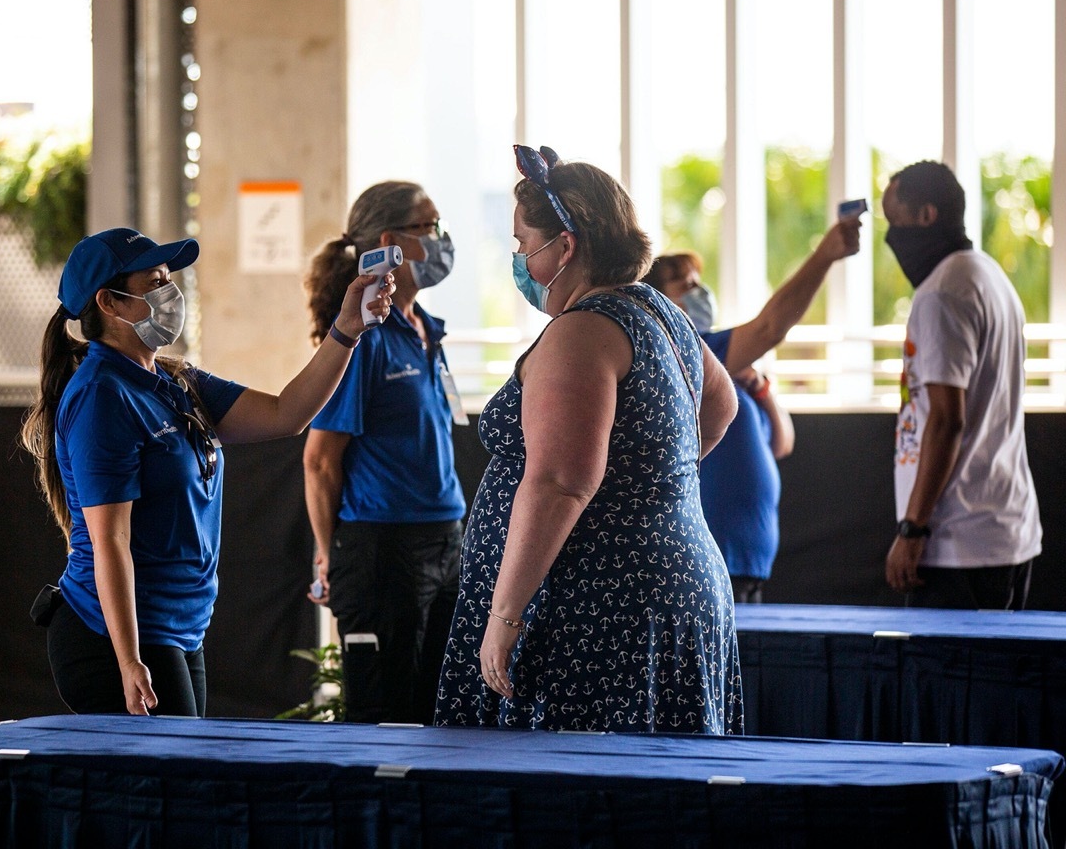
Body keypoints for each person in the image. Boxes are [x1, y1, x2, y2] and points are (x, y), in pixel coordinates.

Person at [20, 227, 394, 717]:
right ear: (109, 303)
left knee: (186, 761)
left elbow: (287, 413)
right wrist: (128, 661)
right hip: (112, 636)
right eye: (155, 282)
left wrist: (346, 330)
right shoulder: (102, 397)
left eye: (168, 279)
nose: (170, 293)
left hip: (179, 628)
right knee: (172, 766)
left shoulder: (175, 381)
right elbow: (110, 540)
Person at [435, 145, 741, 734]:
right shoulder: (658, 309)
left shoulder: (581, 332)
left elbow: (560, 483)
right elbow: (721, 406)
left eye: (522, 243)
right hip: (668, 582)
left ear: (566, 247)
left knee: (580, 779)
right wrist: (641, 481)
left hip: (599, 607)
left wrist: (505, 614)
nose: (519, 259)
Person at [303, 181, 467, 725]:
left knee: (439, 710)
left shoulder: (426, 331)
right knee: (389, 715)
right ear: (390, 242)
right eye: (430, 226)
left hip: (445, 537)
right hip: (384, 546)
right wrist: (328, 553)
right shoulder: (364, 336)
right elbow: (320, 459)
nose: (441, 238)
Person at [643, 217, 862, 602]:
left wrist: (761, 389)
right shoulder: (685, 355)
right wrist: (825, 255)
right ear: (661, 301)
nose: (701, 292)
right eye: (686, 285)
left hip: (748, 562)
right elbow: (769, 328)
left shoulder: (721, 365)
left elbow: (780, 444)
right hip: (711, 558)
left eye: (699, 282)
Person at [882, 160, 1041, 609]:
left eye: (895, 221)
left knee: (946, 660)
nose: (891, 238)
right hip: (1005, 530)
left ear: (926, 215)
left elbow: (947, 420)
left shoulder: (941, 293)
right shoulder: (990, 276)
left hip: (958, 541)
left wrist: (913, 528)